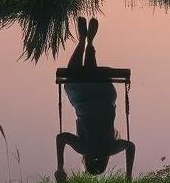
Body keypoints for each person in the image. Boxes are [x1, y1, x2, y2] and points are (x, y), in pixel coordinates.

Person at [55, 17, 135, 181]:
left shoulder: (110, 149)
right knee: (74, 76)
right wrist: (60, 166)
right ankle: (82, 42)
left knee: (93, 76)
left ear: (105, 161)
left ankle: (89, 43)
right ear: (86, 161)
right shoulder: (82, 148)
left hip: (105, 95)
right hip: (81, 97)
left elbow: (130, 146)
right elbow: (60, 138)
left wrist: (128, 175)